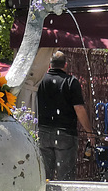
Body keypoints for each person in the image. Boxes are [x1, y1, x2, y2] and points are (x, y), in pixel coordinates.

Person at [37, 51, 95, 181]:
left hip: (43, 132)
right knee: (66, 176)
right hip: (65, 134)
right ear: (65, 65)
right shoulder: (71, 82)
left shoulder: (41, 81)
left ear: (50, 65)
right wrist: (89, 132)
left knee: (45, 175)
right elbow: (79, 108)